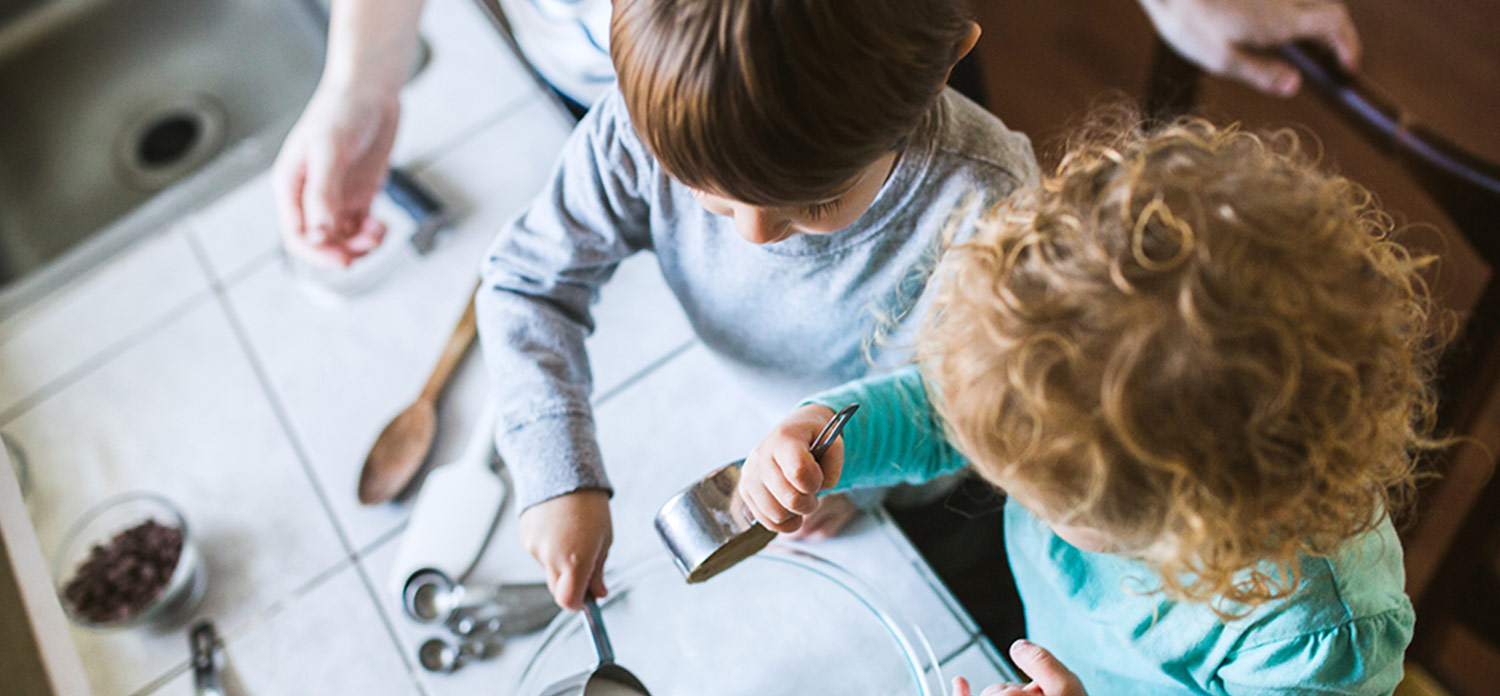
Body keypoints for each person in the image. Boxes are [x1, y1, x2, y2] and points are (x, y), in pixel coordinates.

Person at [735, 117, 1436, 696]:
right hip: (1056, 657)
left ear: (1189, 524)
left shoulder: (1320, 634)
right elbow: (945, 410)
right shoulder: (1073, 399)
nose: (1006, 487)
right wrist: (826, 429)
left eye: (1036, 496)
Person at [477, 0, 1038, 610]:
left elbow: (982, 401)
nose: (754, 234)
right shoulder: (647, 123)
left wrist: (857, 471)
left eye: (816, 203)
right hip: (767, 424)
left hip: (921, 488)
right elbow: (528, 283)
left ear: (947, 60)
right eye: (708, 196)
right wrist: (557, 473)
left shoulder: (990, 201)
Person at [272, 0, 1362, 269]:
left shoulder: (953, 158)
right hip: (599, 74)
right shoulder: (631, 121)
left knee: (911, 266)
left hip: (829, 53)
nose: (748, 234)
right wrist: (362, 79)